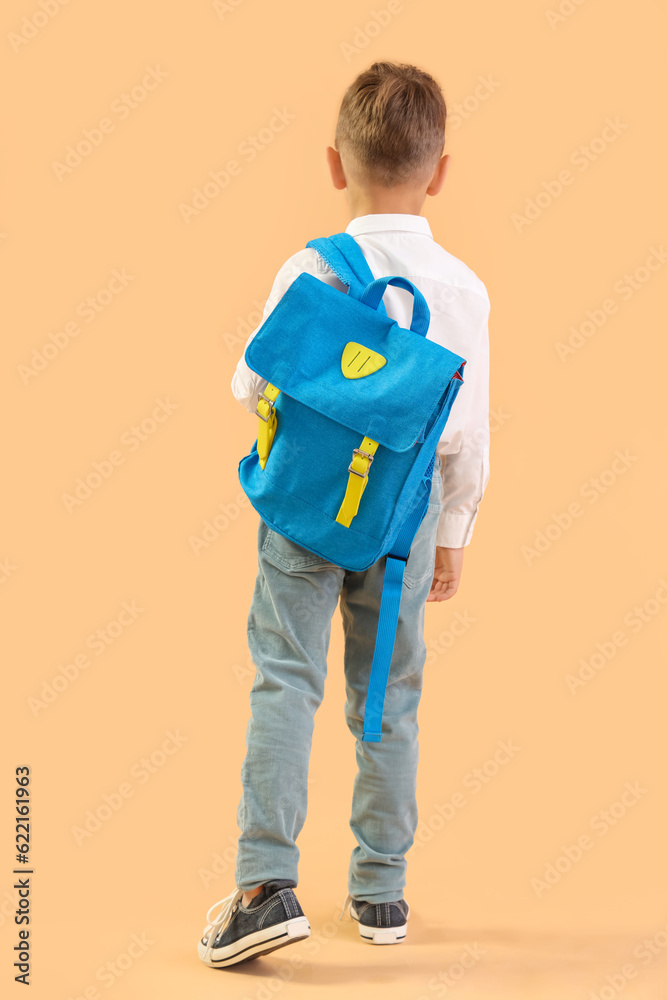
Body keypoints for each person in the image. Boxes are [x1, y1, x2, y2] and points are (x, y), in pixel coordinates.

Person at [197, 59, 491, 969]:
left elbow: (251, 380)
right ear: (439, 169)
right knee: (387, 699)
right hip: (402, 523)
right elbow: (464, 435)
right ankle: (379, 891)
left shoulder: (310, 266)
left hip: (299, 513)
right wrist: (453, 536)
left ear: (336, 164)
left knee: (284, 678)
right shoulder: (462, 290)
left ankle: (262, 885)